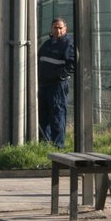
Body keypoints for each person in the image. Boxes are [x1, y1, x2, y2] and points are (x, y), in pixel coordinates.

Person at [37, 18, 76, 149]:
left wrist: (60, 76)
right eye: (55, 27)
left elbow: (72, 64)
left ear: (65, 29)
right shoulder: (47, 44)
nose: (57, 30)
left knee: (57, 115)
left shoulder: (67, 44)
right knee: (44, 115)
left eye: (60, 28)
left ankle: (58, 146)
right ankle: (45, 146)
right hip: (44, 85)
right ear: (51, 29)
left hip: (57, 86)